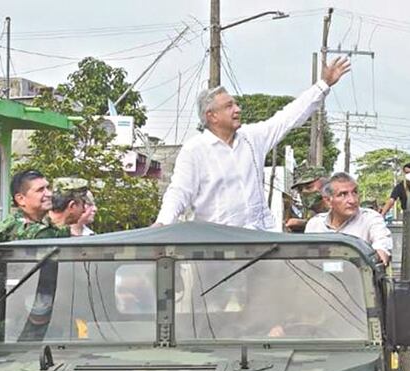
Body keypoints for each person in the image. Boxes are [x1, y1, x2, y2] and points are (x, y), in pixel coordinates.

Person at [155, 57, 352, 230]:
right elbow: (179, 192)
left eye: (236, 104)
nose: (237, 109)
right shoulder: (194, 150)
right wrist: (162, 223)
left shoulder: (252, 137)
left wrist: (324, 84)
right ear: (212, 116)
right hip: (216, 246)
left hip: (259, 242)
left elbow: (288, 117)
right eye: (229, 106)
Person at [304, 172, 393, 264]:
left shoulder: (370, 219)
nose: (352, 200)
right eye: (343, 194)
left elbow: (382, 247)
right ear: (328, 201)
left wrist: (380, 255)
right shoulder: (315, 224)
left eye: (355, 192)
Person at [0, 169, 63, 241]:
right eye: (40, 190)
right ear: (21, 199)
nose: (49, 194)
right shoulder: (41, 233)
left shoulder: (9, 222)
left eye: (48, 188)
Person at [283, 164, 328, 232]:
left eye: (309, 187)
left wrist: (303, 224)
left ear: (326, 187)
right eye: (300, 189)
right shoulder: (311, 212)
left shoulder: (338, 209)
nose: (304, 192)